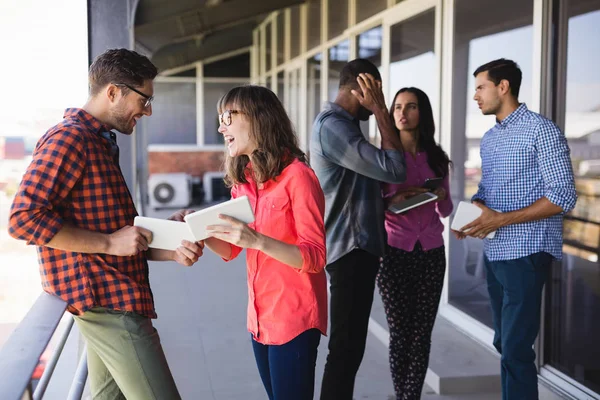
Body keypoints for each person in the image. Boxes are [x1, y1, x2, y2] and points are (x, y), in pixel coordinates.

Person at [8, 48, 204, 400]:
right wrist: (110, 244)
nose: (148, 111)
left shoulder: (99, 141)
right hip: (109, 303)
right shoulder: (70, 139)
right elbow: (23, 219)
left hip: (115, 296)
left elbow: (117, 230)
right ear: (113, 92)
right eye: (144, 100)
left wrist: (170, 243)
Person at [177, 85, 327, 400]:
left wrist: (257, 240)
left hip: (294, 318)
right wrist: (198, 228)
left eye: (228, 117)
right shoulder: (244, 182)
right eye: (220, 119)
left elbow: (314, 257)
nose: (221, 127)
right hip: (259, 319)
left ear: (259, 118)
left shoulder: (299, 177)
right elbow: (231, 249)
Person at [453, 58, 577, 400]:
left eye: (480, 87)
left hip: (527, 252)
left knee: (516, 350)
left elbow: (563, 196)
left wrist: (500, 220)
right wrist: (473, 216)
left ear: (503, 86)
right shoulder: (491, 138)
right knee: (504, 342)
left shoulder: (542, 130)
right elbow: (490, 192)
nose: (476, 95)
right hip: (496, 251)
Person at [309, 58, 407, 399]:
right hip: (350, 249)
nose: (381, 98)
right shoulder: (334, 126)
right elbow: (394, 169)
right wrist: (380, 110)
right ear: (361, 88)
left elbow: (357, 182)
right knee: (345, 350)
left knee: (350, 350)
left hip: (358, 247)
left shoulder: (346, 125)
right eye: (376, 91)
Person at [377, 87, 453, 399]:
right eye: (397, 107)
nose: (402, 113)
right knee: (400, 334)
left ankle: (411, 397)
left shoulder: (437, 159)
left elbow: (445, 211)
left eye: (411, 106)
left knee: (421, 336)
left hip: (432, 252)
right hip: (393, 252)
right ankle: (402, 395)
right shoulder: (382, 158)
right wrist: (393, 197)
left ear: (422, 113)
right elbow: (371, 205)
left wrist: (443, 197)